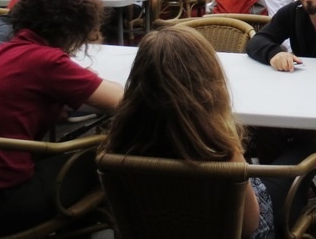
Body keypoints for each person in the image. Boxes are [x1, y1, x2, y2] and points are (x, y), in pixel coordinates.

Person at [0, 0, 123, 236]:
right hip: (0, 206)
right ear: (74, 29)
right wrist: (85, 78)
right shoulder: (47, 61)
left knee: (65, 159)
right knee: (104, 157)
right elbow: (120, 99)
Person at [102, 26, 271, 239]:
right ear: (207, 81)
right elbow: (249, 226)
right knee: (295, 157)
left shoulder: (119, 143)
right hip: (220, 230)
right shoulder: (220, 148)